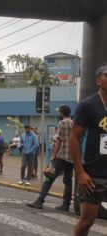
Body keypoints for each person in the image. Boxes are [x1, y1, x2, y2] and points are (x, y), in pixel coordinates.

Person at [70, 64, 107, 236]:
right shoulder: (88, 105)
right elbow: (74, 138)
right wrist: (80, 172)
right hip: (94, 175)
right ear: (98, 80)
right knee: (86, 222)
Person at [27, 105, 74, 211]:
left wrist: (53, 156)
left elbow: (58, 140)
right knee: (68, 181)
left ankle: (40, 200)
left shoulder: (62, 123)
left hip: (61, 156)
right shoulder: (73, 123)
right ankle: (66, 204)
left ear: (62, 113)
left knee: (49, 177)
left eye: (59, 112)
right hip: (71, 157)